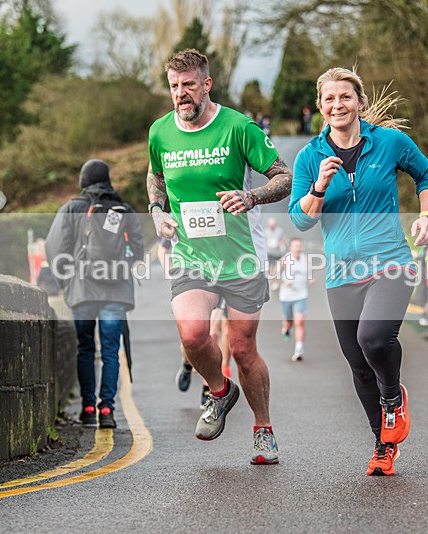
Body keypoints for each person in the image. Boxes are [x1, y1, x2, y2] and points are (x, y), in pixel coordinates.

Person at [289, 67, 428, 476]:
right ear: (321, 107)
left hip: (390, 260)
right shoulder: (309, 157)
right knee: (357, 364)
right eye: (330, 99)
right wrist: (318, 188)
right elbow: (300, 221)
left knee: (373, 337)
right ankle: (382, 445)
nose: (338, 105)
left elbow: (426, 174)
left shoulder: (389, 142)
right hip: (341, 273)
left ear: (360, 103)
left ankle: (393, 399)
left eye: (345, 97)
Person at [146, 49, 293, 465]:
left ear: (206, 84)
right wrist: (158, 212)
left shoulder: (238, 127)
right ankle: (218, 390)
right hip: (191, 253)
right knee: (193, 335)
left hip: (241, 255)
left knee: (244, 349)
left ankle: (263, 428)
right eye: (174, 87)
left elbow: (283, 176)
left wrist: (250, 196)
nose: (181, 94)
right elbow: (154, 175)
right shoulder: (160, 131)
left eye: (189, 85)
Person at [45, 159, 144, 429]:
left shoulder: (72, 209)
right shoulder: (123, 209)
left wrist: (65, 280)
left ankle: (88, 408)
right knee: (111, 351)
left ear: (83, 181)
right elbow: (138, 249)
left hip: (83, 291)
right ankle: (107, 410)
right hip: (116, 291)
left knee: (86, 348)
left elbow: (55, 247)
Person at [157, 238, 231, 408]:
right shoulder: (178, 215)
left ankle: (209, 388)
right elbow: (162, 249)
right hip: (188, 282)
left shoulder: (219, 214)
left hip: (217, 281)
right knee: (190, 338)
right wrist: (172, 275)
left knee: (213, 333)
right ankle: (187, 363)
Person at [278, 237, 313, 361]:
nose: (298, 248)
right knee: (289, 321)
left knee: (300, 321)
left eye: (299, 246)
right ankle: (287, 327)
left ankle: (299, 349)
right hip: (286, 296)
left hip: (301, 296)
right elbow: (275, 272)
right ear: (290, 248)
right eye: (295, 246)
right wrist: (284, 280)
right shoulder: (285, 259)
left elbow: (309, 273)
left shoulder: (306, 259)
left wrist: (310, 279)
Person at [265, 217, 287, 289]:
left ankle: (279, 281)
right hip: (270, 253)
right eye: (271, 225)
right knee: (272, 269)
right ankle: (274, 282)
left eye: (273, 225)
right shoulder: (265, 232)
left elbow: (284, 239)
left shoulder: (279, 231)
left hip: (278, 253)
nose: (272, 226)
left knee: (279, 268)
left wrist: (282, 244)